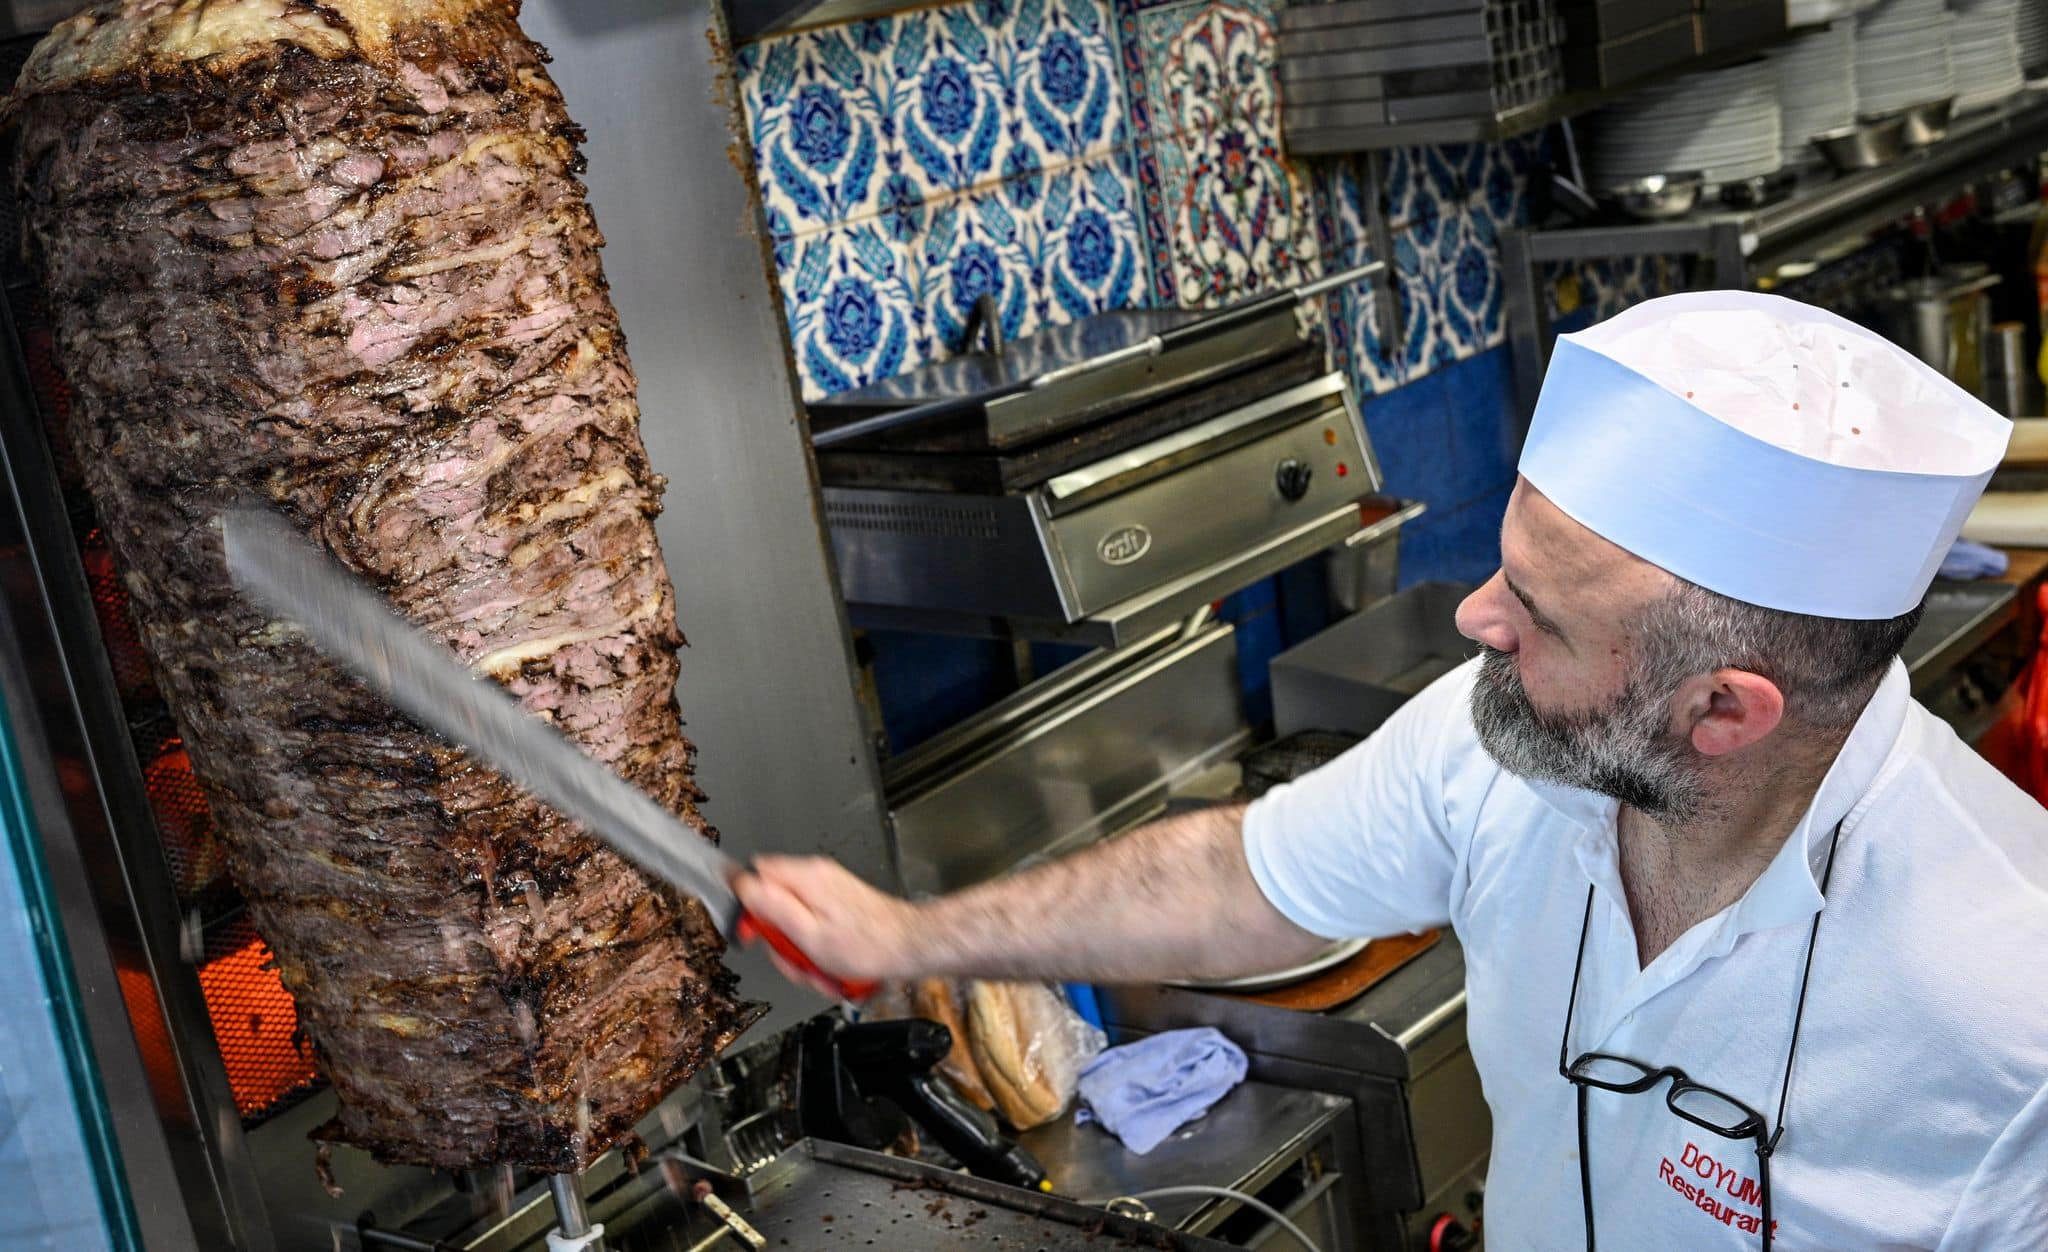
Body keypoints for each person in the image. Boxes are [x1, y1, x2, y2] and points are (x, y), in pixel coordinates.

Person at [737, 291, 2048, 1249]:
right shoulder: (1491, 744)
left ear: (1723, 711)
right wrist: (915, 933)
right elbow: (1234, 879)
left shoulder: (2006, 1002)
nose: (1478, 619)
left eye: (1539, 615)